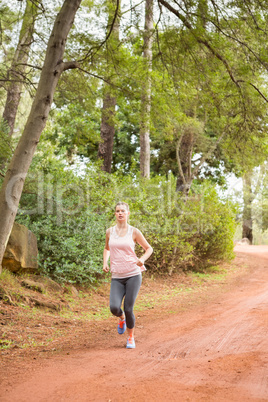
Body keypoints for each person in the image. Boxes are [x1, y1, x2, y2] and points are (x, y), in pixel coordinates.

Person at [103, 201, 153, 349]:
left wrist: (142, 259)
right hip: (117, 276)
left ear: (128, 214)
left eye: (123, 211)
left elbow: (149, 248)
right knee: (114, 308)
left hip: (133, 274)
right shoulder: (109, 232)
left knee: (129, 307)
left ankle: (130, 337)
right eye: (117, 211)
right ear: (115, 213)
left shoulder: (134, 232)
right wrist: (105, 262)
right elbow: (106, 248)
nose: (120, 213)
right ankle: (121, 317)